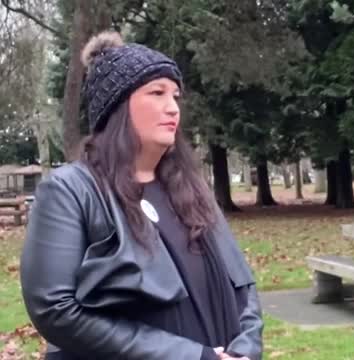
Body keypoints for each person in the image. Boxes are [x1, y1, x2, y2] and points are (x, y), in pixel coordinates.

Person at [20, 31, 263, 360]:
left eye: (176, 96)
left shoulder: (193, 190)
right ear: (117, 107)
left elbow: (243, 287)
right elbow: (56, 309)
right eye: (157, 93)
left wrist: (245, 350)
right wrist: (193, 356)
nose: (172, 108)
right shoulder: (70, 191)